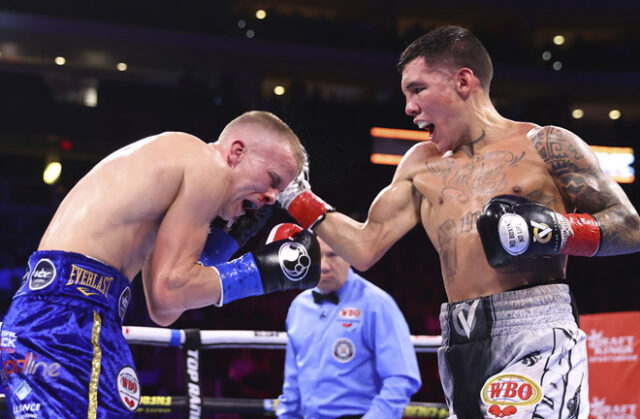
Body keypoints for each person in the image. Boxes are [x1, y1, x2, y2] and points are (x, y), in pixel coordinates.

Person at [276, 26, 640, 418]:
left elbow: (630, 227)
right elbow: (365, 246)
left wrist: (554, 231)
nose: (408, 108)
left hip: (534, 327)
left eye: (417, 90)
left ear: (463, 81)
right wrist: (294, 196)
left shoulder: (546, 146)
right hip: (459, 338)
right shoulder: (420, 164)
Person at [0, 110, 321, 417]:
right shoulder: (208, 164)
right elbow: (171, 290)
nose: (270, 198)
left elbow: (164, 309)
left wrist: (230, 241)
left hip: (63, 315)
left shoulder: (169, 175)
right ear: (236, 152)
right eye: (272, 179)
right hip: (71, 322)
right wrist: (264, 272)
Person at [276, 233, 421, 419]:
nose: (324, 267)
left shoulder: (377, 304)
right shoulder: (299, 307)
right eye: (315, 256)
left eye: (332, 255)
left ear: (349, 256)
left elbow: (402, 378)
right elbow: (293, 383)